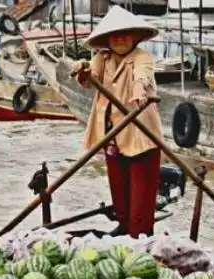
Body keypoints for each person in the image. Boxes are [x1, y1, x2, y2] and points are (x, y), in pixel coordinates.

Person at [71, 6, 164, 239]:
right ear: (107, 40)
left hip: (139, 133)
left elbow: (142, 77)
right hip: (112, 134)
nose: (120, 39)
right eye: (115, 35)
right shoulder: (103, 58)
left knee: (140, 193)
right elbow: (89, 79)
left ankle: (140, 235)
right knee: (119, 190)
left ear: (135, 36)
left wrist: (139, 91)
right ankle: (124, 227)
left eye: (125, 34)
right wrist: (82, 71)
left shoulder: (141, 57)